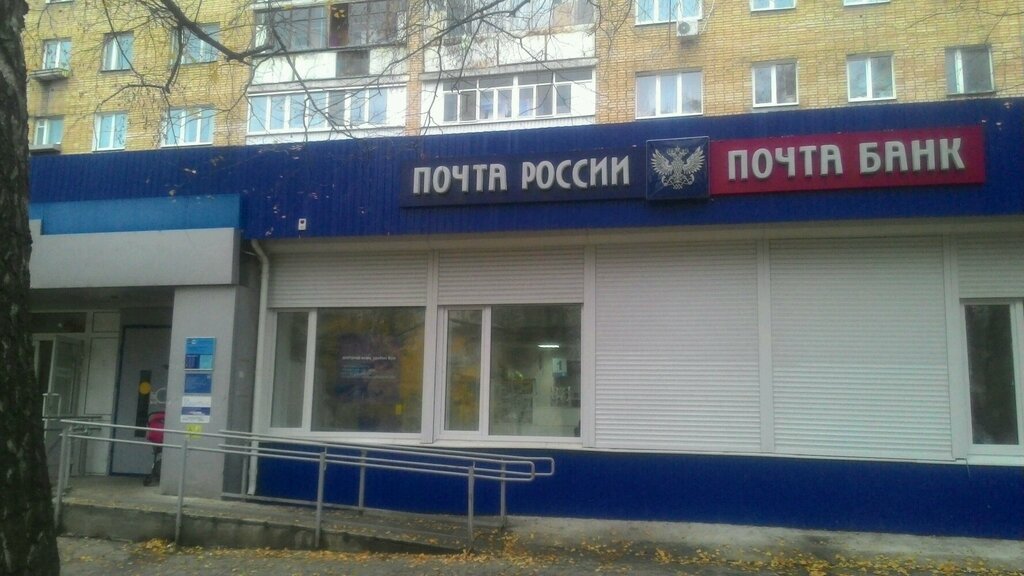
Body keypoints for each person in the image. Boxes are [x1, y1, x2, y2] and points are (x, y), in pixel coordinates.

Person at [143, 411, 165, 486]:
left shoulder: (153, 421)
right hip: (162, 440)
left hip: (155, 440)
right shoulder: (162, 421)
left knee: (156, 455)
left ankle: (156, 472)